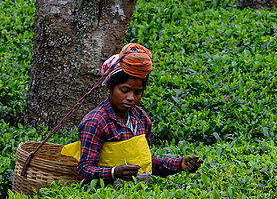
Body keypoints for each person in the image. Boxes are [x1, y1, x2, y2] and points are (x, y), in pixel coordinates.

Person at [61, 43, 202, 183]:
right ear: (109, 88)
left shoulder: (141, 119)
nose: (131, 98)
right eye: (124, 90)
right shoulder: (96, 122)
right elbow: (85, 169)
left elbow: (144, 162)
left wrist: (179, 164)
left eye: (137, 92)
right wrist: (113, 172)